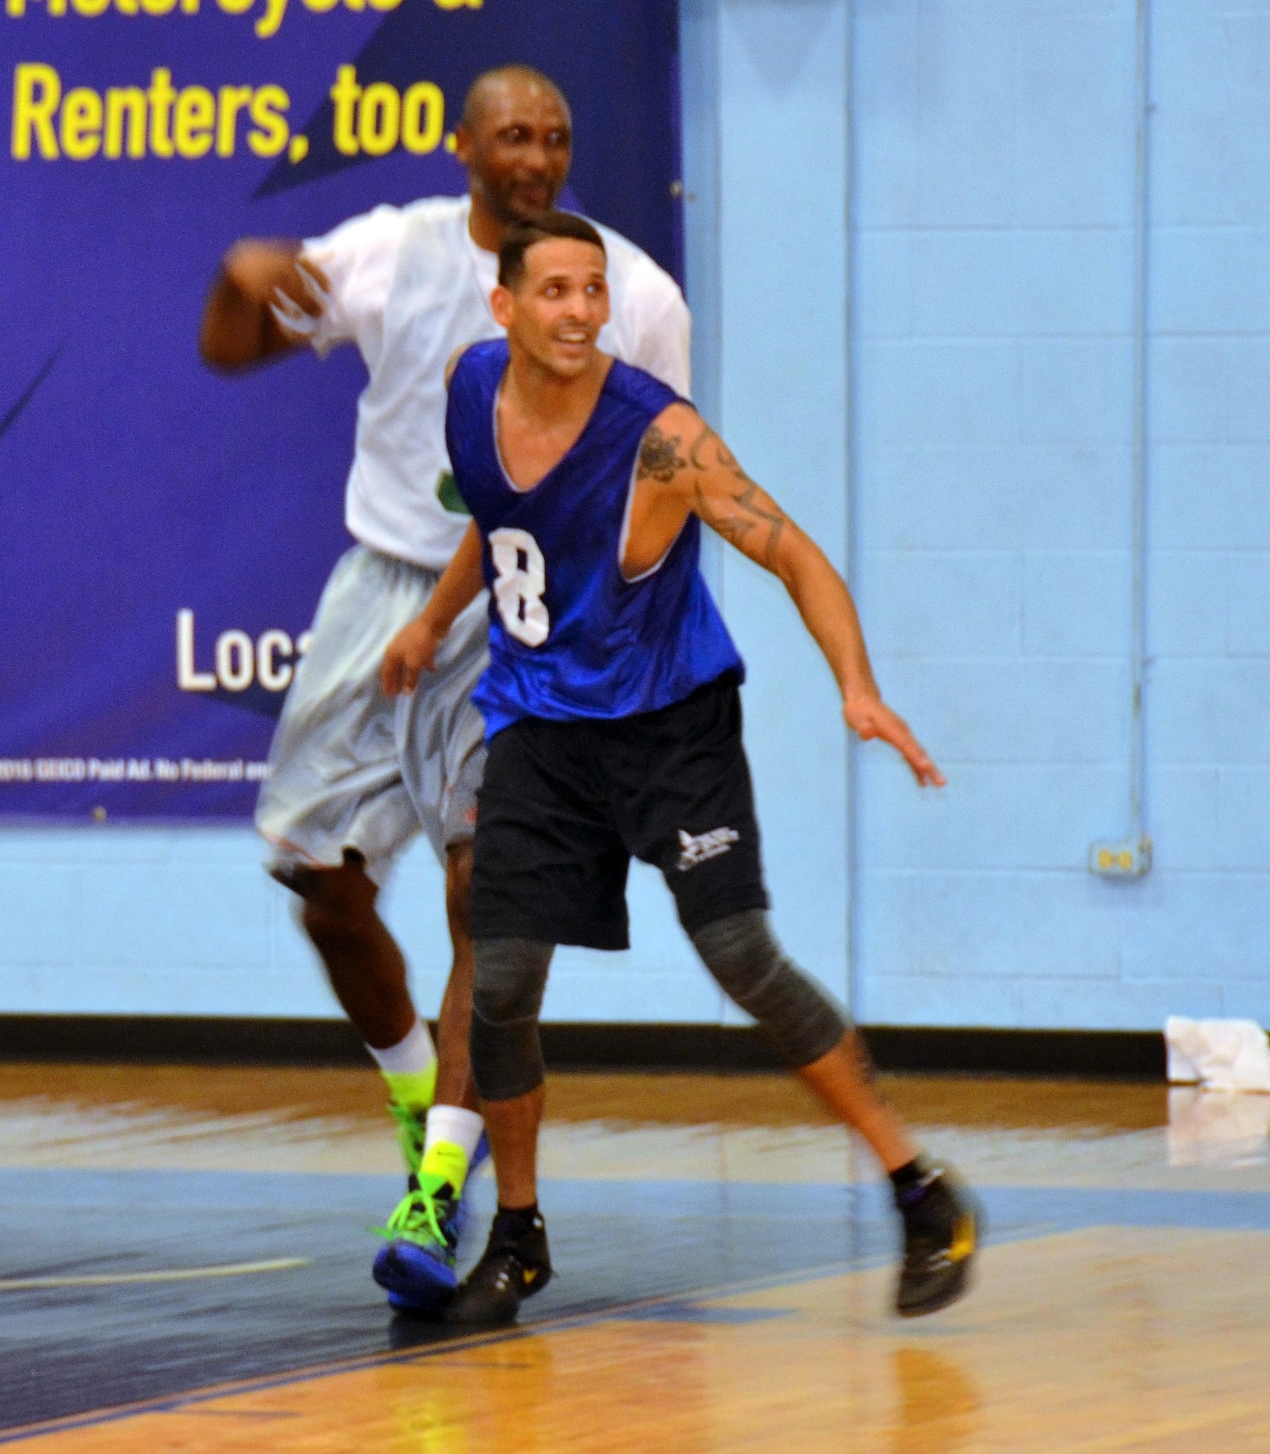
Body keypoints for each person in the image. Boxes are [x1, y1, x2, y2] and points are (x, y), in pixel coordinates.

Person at [381, 211, 980, 1324]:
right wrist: (429, 622)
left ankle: (915, 1185)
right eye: (552, 290)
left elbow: (792, 551)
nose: (576, 310)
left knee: (739, 953)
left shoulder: (660, 438)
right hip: (537, 726)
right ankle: (515, 1236)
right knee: (500, 979)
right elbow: (504, 521)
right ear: (502, 307)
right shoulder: (471, 387)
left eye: (591, 290)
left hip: (668, 727)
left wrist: (855, 685)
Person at [198, 68, 690, 1310]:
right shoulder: (394, 251)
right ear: (462, 146)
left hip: (528, 608)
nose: (536, 156)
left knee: (491, 894)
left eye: (556, 138)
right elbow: (225, 348)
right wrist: (238, 277)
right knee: (318, 880)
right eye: (513, 135)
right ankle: (416, 1083)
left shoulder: (635, 293)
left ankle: (437, 1183)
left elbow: (672, 468)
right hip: (383, 588)